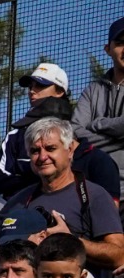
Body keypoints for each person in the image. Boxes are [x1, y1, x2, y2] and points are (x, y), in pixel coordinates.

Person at [1, 118, 124, 277]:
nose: (42, 157)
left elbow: (119, 256)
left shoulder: (93, 195)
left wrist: (70, 240)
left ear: (70, 149)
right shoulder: (22, 199)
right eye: (35, 151)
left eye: (51, 148)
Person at [75, 18, 124, 173]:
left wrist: (97, 124)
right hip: (96, 187)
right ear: (107, 49)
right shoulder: (92, 90)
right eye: (120, 43)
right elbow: (74, 131)